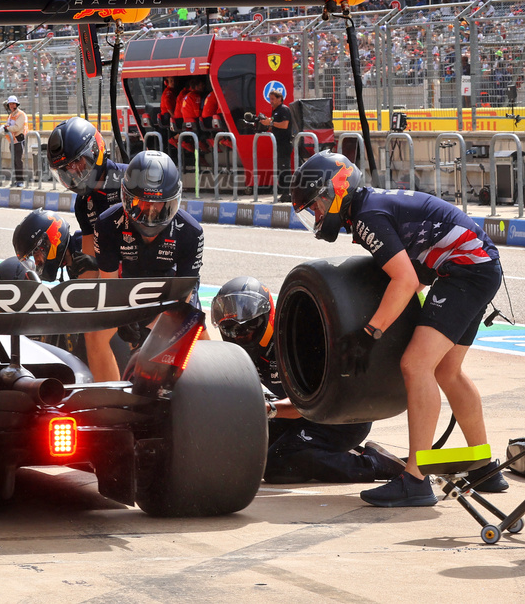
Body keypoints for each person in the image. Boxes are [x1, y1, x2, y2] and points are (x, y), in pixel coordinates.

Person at [290, 152, 509, 508]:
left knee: (415, 366)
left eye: (314, 206)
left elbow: (406, 281)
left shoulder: (367, 217)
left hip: (466, 271)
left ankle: (415, 479)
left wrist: (369, 334)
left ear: (334, 192)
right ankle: (484, 467)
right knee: (446, 370)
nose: (314, 216)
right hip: (477, 266)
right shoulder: (370, 207)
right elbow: (414, 275)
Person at [211, 276, 405, 485]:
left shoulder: (293, 343)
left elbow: (313, 403)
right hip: (298, 414)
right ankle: (322, 451)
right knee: (247, 448)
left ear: (266, 318)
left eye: (244, 329)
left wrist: (268, 408)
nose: (238, 336)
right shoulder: (246, 351)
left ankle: (374, 464)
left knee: (277, 464)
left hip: (338, 416)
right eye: (229, 330)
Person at [93, 150, 205, 364]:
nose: (150, 211)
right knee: (96, 336)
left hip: (171, 293)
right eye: (142, 203)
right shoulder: (107, 224)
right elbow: (107, 283)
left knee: (199, 343)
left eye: (158, 204)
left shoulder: (191, 232)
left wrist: (153, 330)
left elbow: (184, 299)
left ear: (172, 202)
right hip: (126, 291)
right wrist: (121, 318)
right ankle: (108, 392)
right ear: (127, 198)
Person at [46, 117, 127, 380]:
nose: (74, 172)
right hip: (115, 280)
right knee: (90, 327)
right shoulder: (83, 204)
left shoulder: (130, 178)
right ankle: (109, 396)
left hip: (150, 270)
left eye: (78, 162)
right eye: (66, 168)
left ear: (96, 149)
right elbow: (91, 260)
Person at [256, 81, 293, 201]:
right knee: (280, 170)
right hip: (278, 143)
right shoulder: (275, 110)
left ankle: (288, 193)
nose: (270, 101)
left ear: (279, 98)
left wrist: (271, 123)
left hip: (285, 144)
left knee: (285, 170)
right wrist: (265, 124)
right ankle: (284, 193)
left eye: (272, 99)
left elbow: (284, 125)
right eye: (270, 99)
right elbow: (275, 126)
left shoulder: (284, 109)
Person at [0, 95, 29, 187]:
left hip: (19, 140)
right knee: (14, 161)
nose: (11, 106)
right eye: (10, 104)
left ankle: (20, 180)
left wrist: (6, 129)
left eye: (13, 104)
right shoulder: (11, 115)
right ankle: (16, 180)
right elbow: (8, 125)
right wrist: (4, 128)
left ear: (16, 104)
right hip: (12, 141)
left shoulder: (21, 114)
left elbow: (17, 127)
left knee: (18, 161)